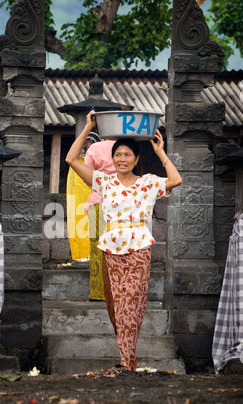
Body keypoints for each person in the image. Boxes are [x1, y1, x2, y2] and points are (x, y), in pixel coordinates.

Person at [66, 110, 182, 371]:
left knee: (133, 304)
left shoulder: (148, 183)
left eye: (127, 154)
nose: (122, 159)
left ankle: (125, 362)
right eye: (118, 154)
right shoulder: (104, 182)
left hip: (139, 248)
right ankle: (129, 359)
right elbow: (71, 158)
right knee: (117, 306)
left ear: (136, 158)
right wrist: (87, 128)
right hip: (111, 248)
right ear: (113, 158)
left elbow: (176, 180)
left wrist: (161, 152)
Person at [84, 139, 116, 300]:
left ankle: (97, 294)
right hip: (122, 202)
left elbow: (86, 177)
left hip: (98, 201)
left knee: (97, 248)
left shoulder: (95, 148)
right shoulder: (129, 145)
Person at [66, 131, 100, 261]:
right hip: (78, 200)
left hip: (95, 202)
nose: (88, 146)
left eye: (91, 144)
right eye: (86, 144)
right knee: (78, 221)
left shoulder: (99, 164)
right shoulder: (76, 163)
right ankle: (82, 255)